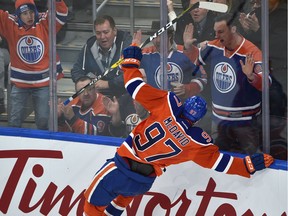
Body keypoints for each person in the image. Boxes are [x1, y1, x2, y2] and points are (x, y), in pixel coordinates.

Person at [83, 43, 274, 216]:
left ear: (183, 106)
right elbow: (220, 163)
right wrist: (247, 166)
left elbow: (134, 87)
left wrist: (131, 64)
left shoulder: (167, 104)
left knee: (90, 207)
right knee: (120, 202)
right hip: (142, 183)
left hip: (122, 167)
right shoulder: (196, 142)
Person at [183, 13, 272, 154]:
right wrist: (188, 48)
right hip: (219, 122)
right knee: (219, 163)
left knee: (250, 165)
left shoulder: (252, 52)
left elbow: (266, 83)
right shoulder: (215, 46)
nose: (217, 36)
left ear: (234, 29)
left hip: (246, 123)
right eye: (215, 32)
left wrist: (251, 76)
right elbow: (195, 59)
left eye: (221, 32)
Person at [0, 0, 68, 129]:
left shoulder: (44, 21)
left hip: (43, 81)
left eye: (31, 12)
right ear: (18, 15)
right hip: (20, 83)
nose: (29, 16)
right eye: (24, 13)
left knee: (43, 121)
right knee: (14, 120)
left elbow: (61, 14)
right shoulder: (10, 23)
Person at [139, 21, 207, 101]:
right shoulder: (145, 54)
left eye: (161, 36)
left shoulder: (186, 52)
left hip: (181, 107)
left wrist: (187, 89)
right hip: (155, 107)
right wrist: (132, 50)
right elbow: (123, 68)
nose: (157, 40)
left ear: (170, 36)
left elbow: (203, 78)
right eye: (154, 37)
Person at [71, 15, 132, 98]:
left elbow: (131, 74)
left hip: (122, 96)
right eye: (98, 33)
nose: (102, 37)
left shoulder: (127, 45)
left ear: (114, 31)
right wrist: (87, 82)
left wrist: (108, 84)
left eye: (106, 32)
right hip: (96, 97)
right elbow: (76, 71)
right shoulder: (90, 45)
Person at [58, 76, 125, 137]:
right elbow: (67, 133)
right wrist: (60, 118)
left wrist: (73, 119)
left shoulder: (104, 104)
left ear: (95, 90)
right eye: (81, 91)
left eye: (89, 89)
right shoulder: (73, 103)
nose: (86, 94)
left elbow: (95, 135)